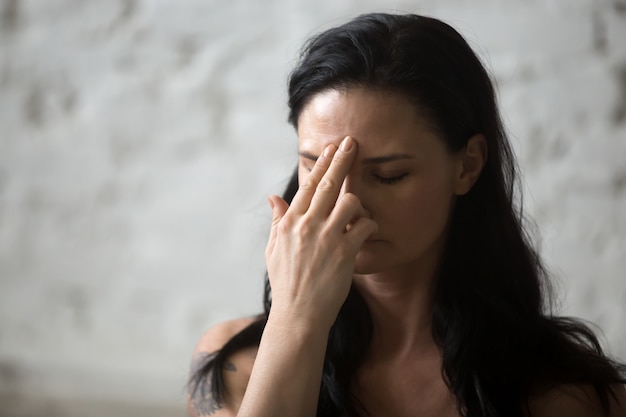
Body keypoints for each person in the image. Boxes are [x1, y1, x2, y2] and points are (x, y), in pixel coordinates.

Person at [187, 12, 626, 417]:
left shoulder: (564, 395)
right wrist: (297, 317)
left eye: (389, 175)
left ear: (467, 165)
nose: (347, 202)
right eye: (316, 166)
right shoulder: (234, 365)